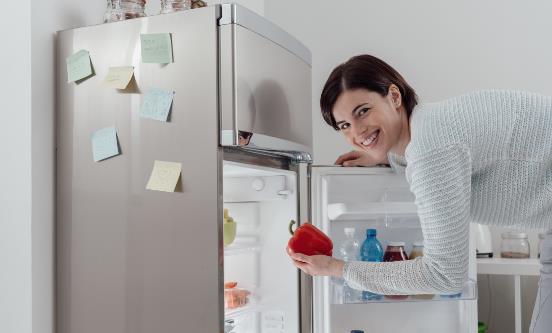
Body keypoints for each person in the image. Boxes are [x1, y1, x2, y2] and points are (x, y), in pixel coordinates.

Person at [286, 54, 552, 333]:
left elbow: (444, 275)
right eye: (344, 126)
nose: (357, 132)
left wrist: (337, 268)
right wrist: (385, 157)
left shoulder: (431, 149)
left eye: (363, 111)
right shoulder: (429, 129)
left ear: (394, 96)